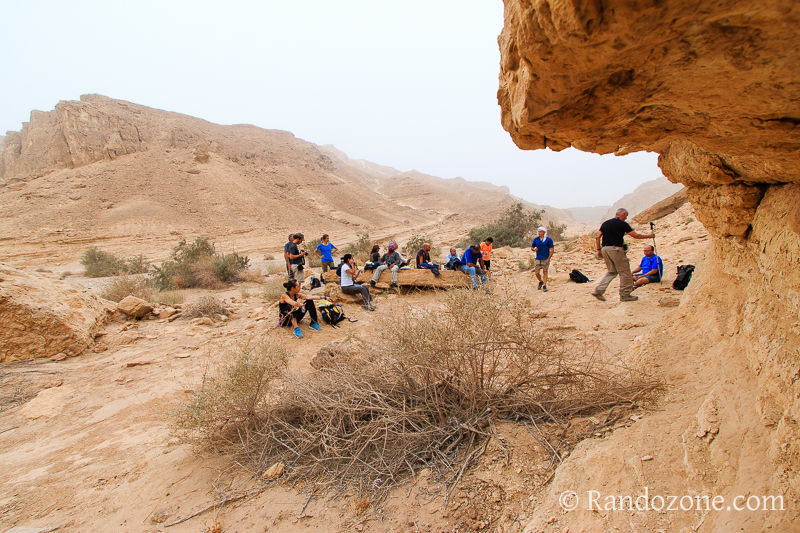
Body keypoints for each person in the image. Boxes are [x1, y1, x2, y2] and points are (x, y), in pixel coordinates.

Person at [592, 208, 656, 302]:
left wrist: (598, 250)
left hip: (605, 249)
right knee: (625, 272)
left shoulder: (605, 223)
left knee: (612, 271)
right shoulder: (622, 224)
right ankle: (625, 295)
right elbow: (635, 235)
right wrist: (649, 236)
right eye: (626, 216)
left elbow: (597, 237)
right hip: (616, 249)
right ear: (622, 214)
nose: (626, 218)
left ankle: (599, 291)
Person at [530, 226, 554, 292]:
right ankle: (540, 281)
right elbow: (532, 247)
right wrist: (533, 249)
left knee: (545, 272)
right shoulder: (536, 239)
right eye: (538, 231)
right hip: (538, 258)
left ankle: (544, 285)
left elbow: (552, 249)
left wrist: (549, 258)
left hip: (545, 258)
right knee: (536, 272)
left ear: (544, 232)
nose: (539, 233)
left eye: (540, 231)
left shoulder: (549, 240)